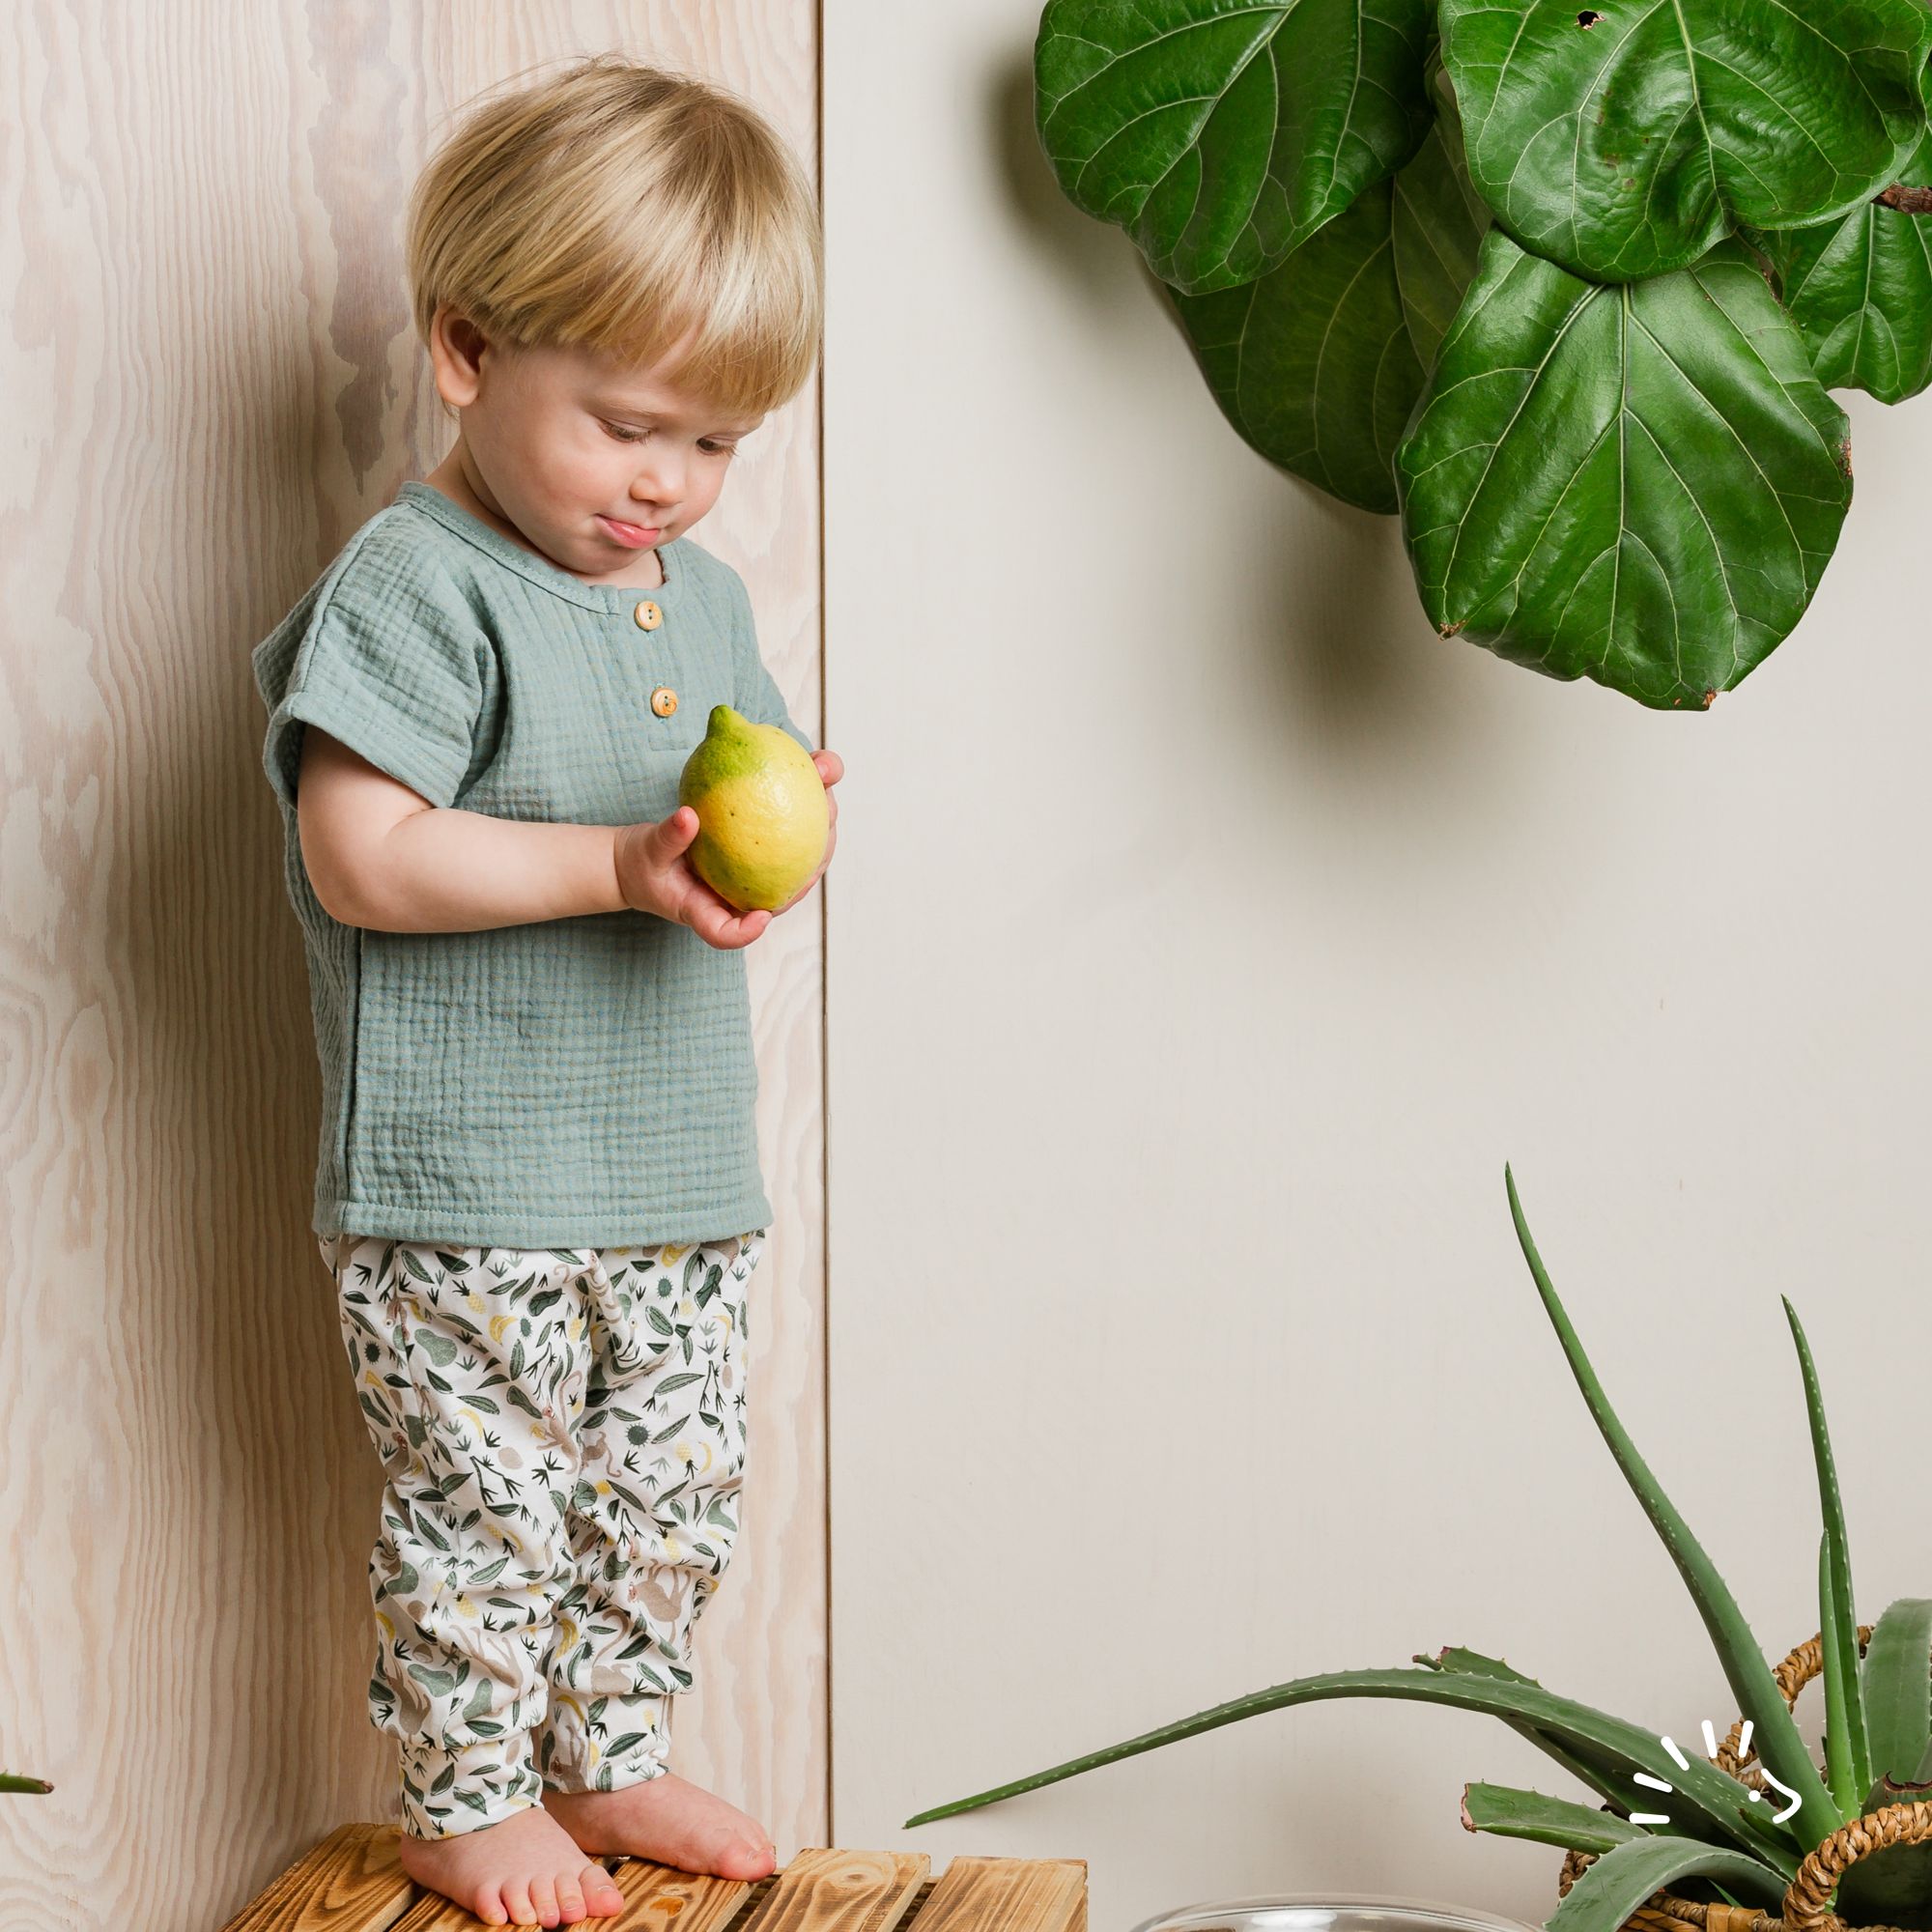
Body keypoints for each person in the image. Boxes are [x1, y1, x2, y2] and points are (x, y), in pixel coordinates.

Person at [250, 55, 838, 1928]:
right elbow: (364, 852)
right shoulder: (419, 585)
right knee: (489, 1499)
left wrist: (775, 825)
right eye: (630, 427)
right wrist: (614, 868)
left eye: (718, 442)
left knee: (669, 1493)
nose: (670, 483)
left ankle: (606, 1749)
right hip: (468, 1182)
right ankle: (466, 1794)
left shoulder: (698, 596)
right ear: (466, 351)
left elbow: (715, 812)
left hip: (668, 1171)